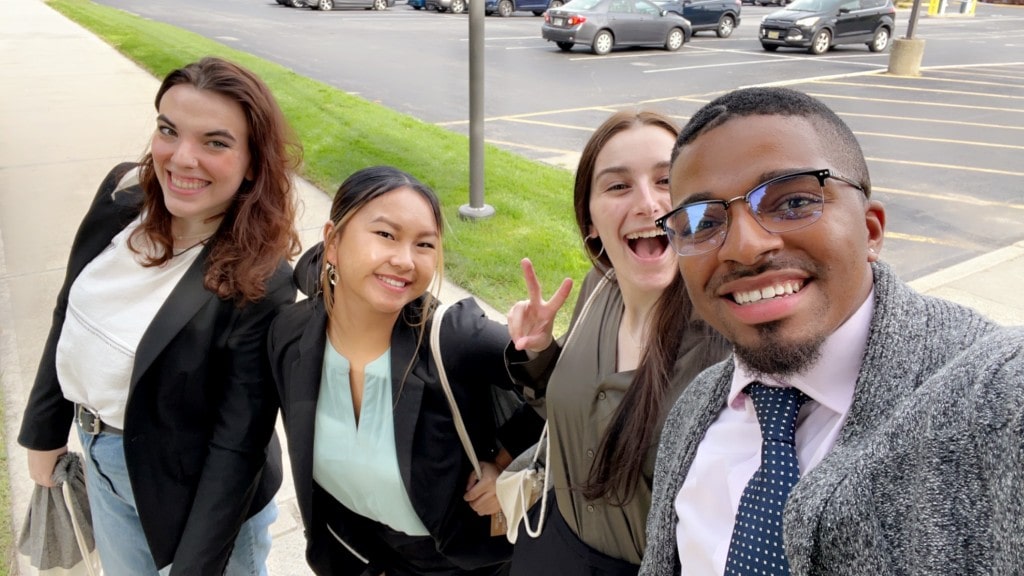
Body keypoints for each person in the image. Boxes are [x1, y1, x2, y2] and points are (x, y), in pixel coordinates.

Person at [640, 86, 1024, 576]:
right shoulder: (693, 412)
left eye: (794, 201)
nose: (744, 247)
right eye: (702, 221)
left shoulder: (992, 401)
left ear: (872, 230)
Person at [18, 57, 301, 575]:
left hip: (200, 500)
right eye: (169, 131)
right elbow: (69, 310)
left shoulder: (263, 282)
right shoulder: (122, 195)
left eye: (215, 142)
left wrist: (197, 565)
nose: (182, 158)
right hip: (100, 454)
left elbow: (237, 442)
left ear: (254, 162)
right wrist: (45, 432)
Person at [268, 166, 540, 576]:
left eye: (424, 244)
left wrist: (505, 462)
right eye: (386, 235)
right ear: (332, 240)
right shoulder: (291, 336)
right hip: (365, 558)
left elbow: (566, 388)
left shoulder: (455, 339)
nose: (404, 260)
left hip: (464, 565)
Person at [504, 110, 730, 575]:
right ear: (589, 221)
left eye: (666, 181)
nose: (648, 204)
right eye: (618, 186)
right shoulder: (597, 290)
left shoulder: (727, 340)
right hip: (552, 541)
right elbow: (573, 411)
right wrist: (540, 350)